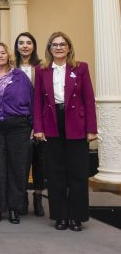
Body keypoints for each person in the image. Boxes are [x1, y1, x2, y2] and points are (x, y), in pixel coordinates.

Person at [33, 32, 97, 232]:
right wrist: (38, 128)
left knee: (78, 173)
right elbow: (38, 102)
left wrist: (91, 129)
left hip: (76, 123)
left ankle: (76, 217)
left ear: (69, 48)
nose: (59, 48)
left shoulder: (81, 67)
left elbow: (88, 99)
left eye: (62, 44)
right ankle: (60, 216)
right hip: (52, 122)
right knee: (55, 173)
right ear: (49, 48)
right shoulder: (41, 70)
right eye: (55, 45)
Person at [0, 42, 33, 224]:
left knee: (17, 168)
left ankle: (14, 208)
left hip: (18, 127)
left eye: (3, 53)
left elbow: (31, 100)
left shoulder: (20, 76)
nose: (0, 56)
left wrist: (34, 125)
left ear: (8, 55)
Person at [14, 31, 45, 217]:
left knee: (40, 161)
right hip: (20, 121)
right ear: (16, 47)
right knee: (21, 162)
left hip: (41, 119)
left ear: (34, 46)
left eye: (28, 43)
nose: (25, 46)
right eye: (21, 43)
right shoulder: (11, 67)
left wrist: (38, 124)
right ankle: (22, 198)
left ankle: (38, 197)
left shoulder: (42, 67)